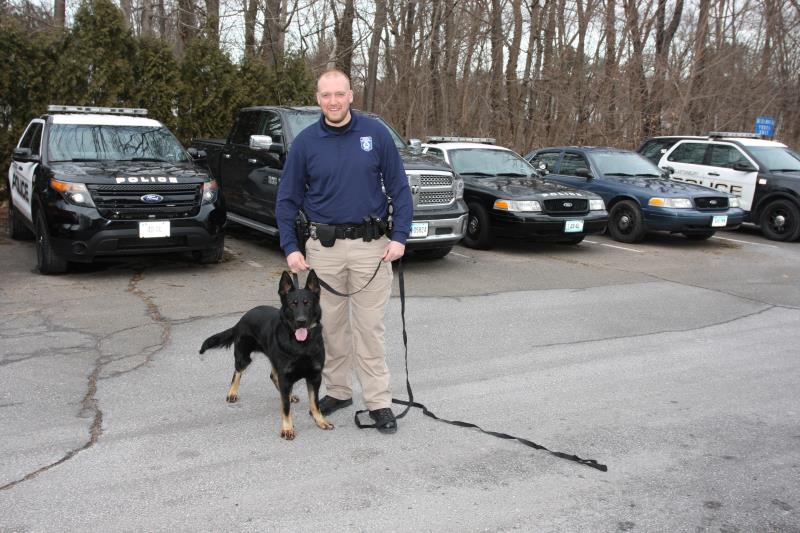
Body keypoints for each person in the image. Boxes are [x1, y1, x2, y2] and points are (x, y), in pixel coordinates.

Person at [275, 68, 413, 434]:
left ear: (351, 95)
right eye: (326, 95)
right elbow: (287, 199)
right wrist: (291, 247)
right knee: (330, 328)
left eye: (340, 94)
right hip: (323, 251)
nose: (333, 101)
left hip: (373, 249)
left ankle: (379, 402)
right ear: (317, 99)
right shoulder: (305, 143)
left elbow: (399, 188)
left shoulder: (375, 134)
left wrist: (400, 236)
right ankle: (337, 390)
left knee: (369, 330)